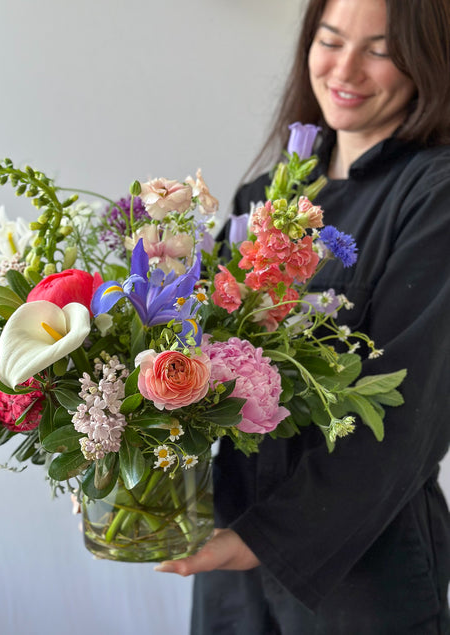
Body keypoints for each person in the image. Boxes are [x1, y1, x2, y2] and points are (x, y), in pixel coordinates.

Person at [155, 0, 450, 632]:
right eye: (331, 39)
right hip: (229, 536)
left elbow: (410, 406)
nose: (346, 68)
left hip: (361, 559)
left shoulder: (434, 193)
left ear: (427, 58)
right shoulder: (264, 196)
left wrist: (270, 537)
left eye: (380, 48)